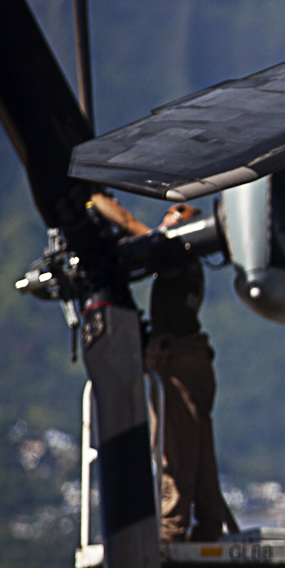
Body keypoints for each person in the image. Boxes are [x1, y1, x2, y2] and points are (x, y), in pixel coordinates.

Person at [88, 194, 235, 543]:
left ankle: (172, 529)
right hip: (195, 360)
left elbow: (129, 224)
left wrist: (94, 200)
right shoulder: (189, 264)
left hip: (178, 363)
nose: (164, 225)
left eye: (171, 219)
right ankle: (209, 525)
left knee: (175, 448)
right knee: (199, 449)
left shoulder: (174, 252)